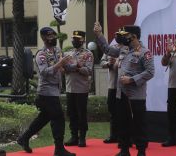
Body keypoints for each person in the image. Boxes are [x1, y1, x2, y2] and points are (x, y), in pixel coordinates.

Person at [93, 23, 155, 156]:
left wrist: (132, 79)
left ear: (133, 36)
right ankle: (124, 149)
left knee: (139, 123)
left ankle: (141, 150)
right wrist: (99, 34)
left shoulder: (145, 52)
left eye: (125, 35)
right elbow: (107, 50)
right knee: (123, 122)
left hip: (136, 96)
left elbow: (150, 72)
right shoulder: (123, 50)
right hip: (121, 94)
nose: (123, 37)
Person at [17, 27, 76, 156]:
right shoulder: (41, 54)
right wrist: (59, 64)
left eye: (54, 35)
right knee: (58, 117)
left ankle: (24, 138)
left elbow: (66, 67)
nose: (54, 38)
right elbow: (44, 72)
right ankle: (59, 149)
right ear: (44, 38)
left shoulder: (58, 51)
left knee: (44, 118)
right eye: (50, 36)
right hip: (45, 93)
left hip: (54, 91)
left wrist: (76, 64)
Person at [63, 30, 93, 147]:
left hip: (81, 89)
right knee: (71, 113)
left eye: (77, 39)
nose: (75, 41)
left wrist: (76, 68)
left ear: (83, 40)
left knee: (81, 113)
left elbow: (88, 71)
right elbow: (65, 68)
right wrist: (77, 66)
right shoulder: (67, 54)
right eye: (73, 39)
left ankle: (82, 137)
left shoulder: (88, 54)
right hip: (70, 88)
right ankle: (74, 136)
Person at [100, 31, 126, 144]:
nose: (117, 36)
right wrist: (108, 64)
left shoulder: (127, 48)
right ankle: (113, 135)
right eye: (116, 34)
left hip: (123, 86)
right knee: (112, 111)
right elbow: (101, 62)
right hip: (112, 85)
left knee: (122, 112)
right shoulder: (111, 48)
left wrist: (117, 62)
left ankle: (123, 136)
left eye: (120, 34)